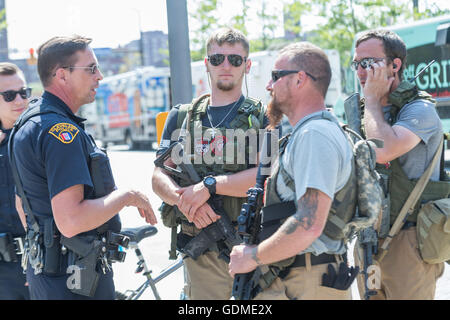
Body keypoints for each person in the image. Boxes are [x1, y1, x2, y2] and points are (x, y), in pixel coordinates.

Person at [9, 35, 157, 300]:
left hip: (47, 274)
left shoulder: (28, 123)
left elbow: (22, 203)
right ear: (62, 75)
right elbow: (71, 221)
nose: (99, 76)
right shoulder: (60, 132)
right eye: (91, 68)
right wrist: (127, 196)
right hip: (74, 281)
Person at [228, 42, 357, 300]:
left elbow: (309, 224)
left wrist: (252, 256)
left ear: (300, 80)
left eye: (275, 76)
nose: (269, 86)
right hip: (301, 276)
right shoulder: (306, 133)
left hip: (309, 280)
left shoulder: (315, 135)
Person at [152, 27, 267, 300]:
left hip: (251, 247)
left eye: (235, 60)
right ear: (207, 64)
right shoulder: (181, 117)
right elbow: (159, 176)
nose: (225, 66)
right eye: (217, 59)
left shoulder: (263, 116)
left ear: (247, 66)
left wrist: (209, 186)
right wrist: (186, 201)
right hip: (200, 249)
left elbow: (267, 176)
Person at [352, 29, 445, 300]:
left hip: (408, 238)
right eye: (357, 63)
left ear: (395, 65)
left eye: (369, 63)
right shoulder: (362, 114)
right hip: (368, 236)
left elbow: (384, 150)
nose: (361, 71)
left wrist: (371, 99)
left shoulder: (419, 110)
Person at [0, 62, 30, 300]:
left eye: (23, 92)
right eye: (9, 95)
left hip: (37, 264)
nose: (19, 100)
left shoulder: (40, 137)